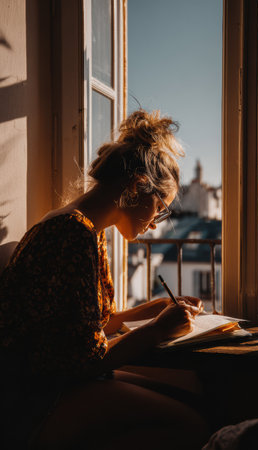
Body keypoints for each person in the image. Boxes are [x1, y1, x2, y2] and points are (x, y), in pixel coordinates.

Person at [0, 110, 210, 450]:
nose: (155, 223)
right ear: (139, 185)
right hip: (32, 397)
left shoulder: (84, 229)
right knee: (191, 423)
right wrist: (156, 330)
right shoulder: (72, 234)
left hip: (55, 380)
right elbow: (84, 358)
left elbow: (93, 325)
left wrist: (153, 311)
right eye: (160, 208)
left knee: (192, 395)